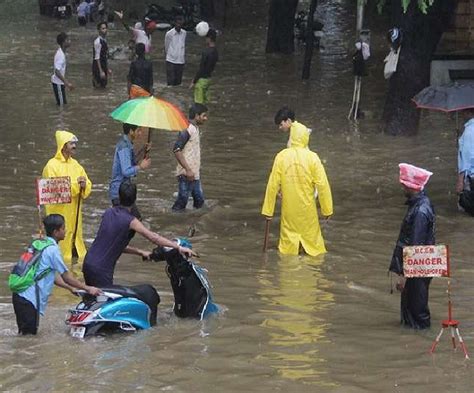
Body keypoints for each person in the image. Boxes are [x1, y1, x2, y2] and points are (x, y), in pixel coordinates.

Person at [83, 181, 196, 287]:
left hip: (88, 263)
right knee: (103, 302)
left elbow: (114, 244)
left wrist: (140, 252)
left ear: (119, 196)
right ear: (135, 199)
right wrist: (178, 247)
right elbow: (154, 238)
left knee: (92, 301)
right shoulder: (131, 221)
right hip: (101, 269)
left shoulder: (108, 213)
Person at [12, 214, 101, 335]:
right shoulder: (53, 250)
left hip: (20, 296)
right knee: (28, 340)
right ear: (56, 232)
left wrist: (70, 288)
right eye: (63, 228)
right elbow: (67, 277)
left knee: (24, 337)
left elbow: (49, 275)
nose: (65, 231)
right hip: (29, 300)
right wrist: (88, 288)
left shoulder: (40, 243)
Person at [261, 127, 333, 256]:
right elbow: (323, 185)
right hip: (307, 213)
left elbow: (272, 185)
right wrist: (327, 209)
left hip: (289, 212)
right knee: (313, 252)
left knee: (288, 253)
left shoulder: (282, 156)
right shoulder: (313, 158)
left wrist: (268, 211)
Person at [389, 163, 435, 329]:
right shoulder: (419, 205)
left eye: (404, 185)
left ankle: (421, 341)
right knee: (411, 310)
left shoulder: (420, 211)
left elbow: (415, 248)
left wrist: (404, 277)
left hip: (417, 270)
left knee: (417, 312)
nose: (402, 187)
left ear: (411, 186)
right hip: (419, 269)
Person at [42, 130, 92, 265]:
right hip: (59, 214)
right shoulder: (51, 166)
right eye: (71, 143)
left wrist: (84, 185)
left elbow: (87, 184)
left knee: (76, 249)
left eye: (75, 143)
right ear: (63, 146)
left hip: (75, 215)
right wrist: (77, 187)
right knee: (60, 252)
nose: (74, 146)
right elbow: (56, 189)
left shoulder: (76, 165)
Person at [109, 123, 151, 220]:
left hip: (124, 191)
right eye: (138, 130)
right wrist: (141, 167)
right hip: (119, 192)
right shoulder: (124, 146)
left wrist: (144, 150)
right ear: (131, 131)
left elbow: (131, 161)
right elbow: (126, 171)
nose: (140, 133)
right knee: (134, 220)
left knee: (133, 221)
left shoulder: (128, 144)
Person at [172, 103, 208, 211]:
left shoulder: (194, 128)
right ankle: (175, 220)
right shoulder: (187, 129)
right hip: (186, 173)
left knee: (199, 201)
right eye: (204, 115)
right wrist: (188, 170)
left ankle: (194, 221)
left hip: (193, 173)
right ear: (197, 116)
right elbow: (176, 149)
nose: (206, 118)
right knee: (182, 201)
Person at [190, 28, 218, 104]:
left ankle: (199, 116)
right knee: (205, 103)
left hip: (201, 80)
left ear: (209, 38)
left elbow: (201, 68)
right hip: (208, 79)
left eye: (206, 37)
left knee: (198, 103)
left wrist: (194, 81)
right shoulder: (215, 52)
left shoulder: (206, 52)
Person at [456, 109, 474, 215]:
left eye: (463, 112)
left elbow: (466, 159)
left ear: (468, 112)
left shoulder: (469, 131)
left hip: (471, 177)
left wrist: (460, 181)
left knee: (466, 207)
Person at [51, 32, 73, 106]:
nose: (70, 41)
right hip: (58, 84)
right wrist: (67, 83)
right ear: (64, 43)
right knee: (61, 106)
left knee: (63, 104)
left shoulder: (61, 53)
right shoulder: (60, 55)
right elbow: (57, 71)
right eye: (68, 40)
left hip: (60, 83)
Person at [165, 15, 186, 86]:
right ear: (175, 23)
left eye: (180, 24)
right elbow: (166, 46)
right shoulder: (169, 34)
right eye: (177, 23)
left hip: (180, 60)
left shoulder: (184, 33)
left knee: (178, 82)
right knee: (170, 82)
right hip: (171, 60)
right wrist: (169, 55)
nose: (179, 25)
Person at [92, 21, 110, 88]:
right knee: (98, 87)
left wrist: (107, 69)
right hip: (97, 67)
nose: (105, 30)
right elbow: (97, 57)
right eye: (103, 28)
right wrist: (100, 71)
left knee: (104, 86)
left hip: (103, 65)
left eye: (105, 28)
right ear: (99, 30)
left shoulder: (104, 40)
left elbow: (105, 56)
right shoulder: (97, 42)